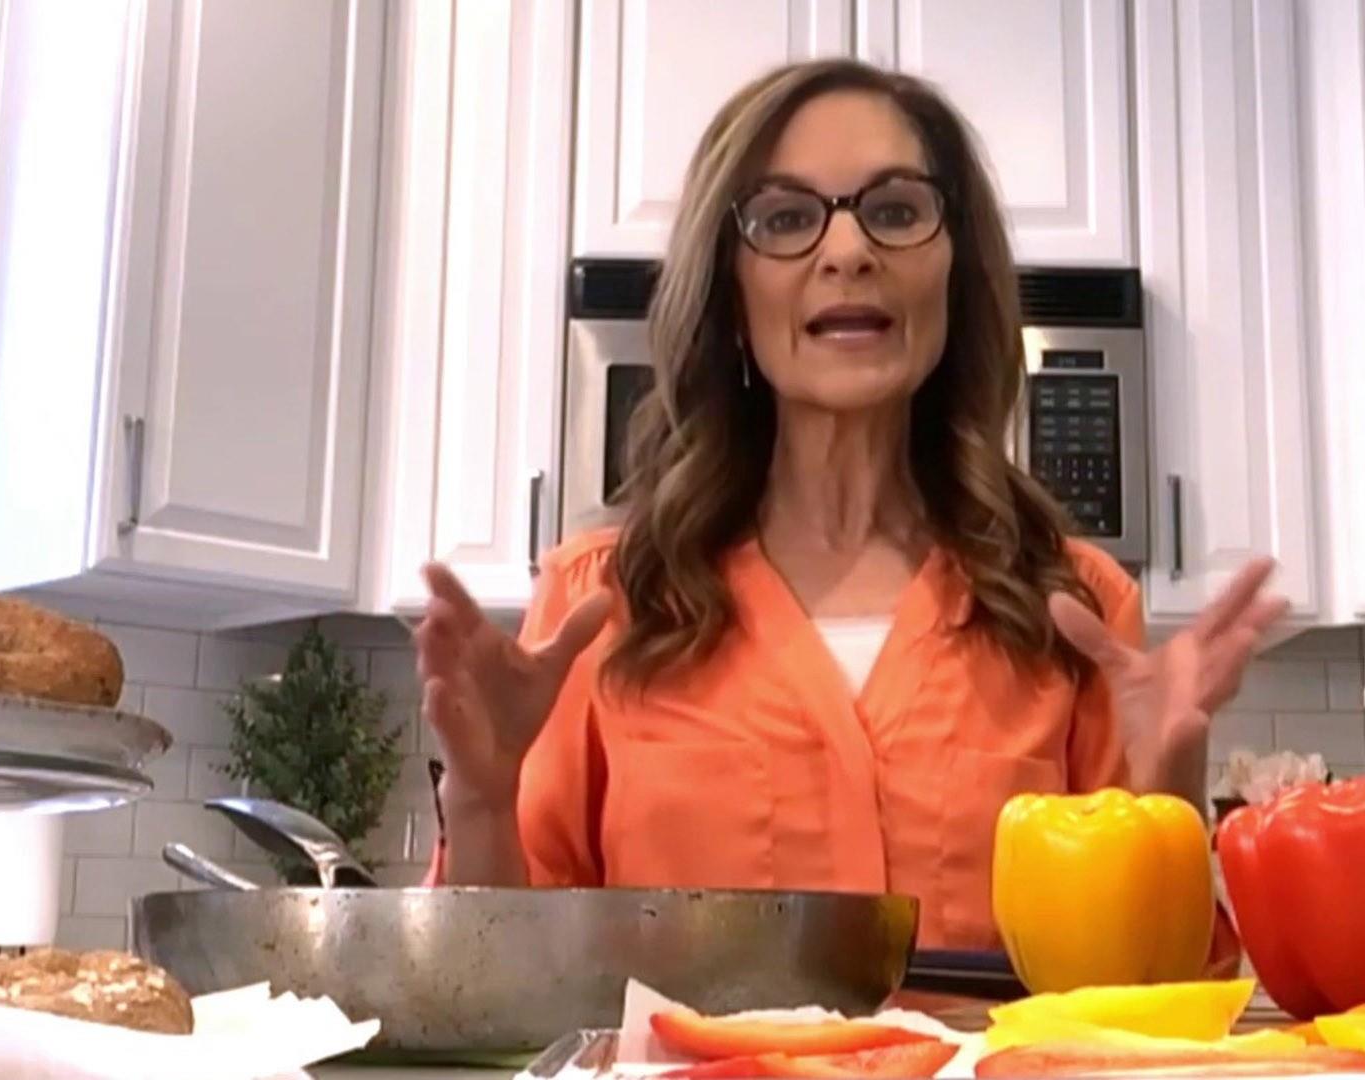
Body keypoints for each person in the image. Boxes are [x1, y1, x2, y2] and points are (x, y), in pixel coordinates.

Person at [414, 58, 1287, 951]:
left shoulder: (1074, 610)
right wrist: (482, 798)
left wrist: (1169, 795)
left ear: (955, 274)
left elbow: (1133, 1005)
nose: (848, 251)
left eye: (897, 211)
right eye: (786, 219)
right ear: (731, 291)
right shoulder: (601, 604)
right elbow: (505, 980)